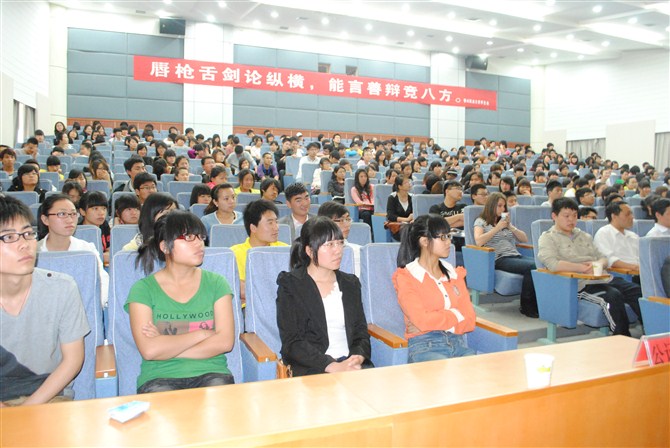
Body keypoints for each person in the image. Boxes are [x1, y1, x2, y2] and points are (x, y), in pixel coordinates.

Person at [126, 210, 235, 394]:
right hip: (159, 377)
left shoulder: (217, 283)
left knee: (218, 407)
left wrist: (166, 346)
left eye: (201, 237)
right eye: (189, 237)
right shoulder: (143, 290)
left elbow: (225, 342)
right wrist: (202, 334)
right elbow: (150, 350)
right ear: (165, 247)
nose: (199, 243)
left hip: (212, 372)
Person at [0, 195, 89, 405]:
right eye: (10, 237)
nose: (25, 245)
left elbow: (73, 360)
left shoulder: (62, 288)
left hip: (48, 398)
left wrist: (27, 409)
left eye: (28, 234)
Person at [276, 217, 372, 376]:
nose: (338, 250)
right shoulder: (291, 285)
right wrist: (331, 365)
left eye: (340, 243)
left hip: (351, 365)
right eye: (329, 245)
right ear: (309, 251)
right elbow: (292, 342)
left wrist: (357, 357)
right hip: (313, 367)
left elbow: (360, 332)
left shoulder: (350, 283)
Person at [537, 198, 642, 336]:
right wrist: (582, 268)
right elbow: (553, 264)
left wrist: (599, 264)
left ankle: (652, 332)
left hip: (603, 278)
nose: (571, 220)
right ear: (554, 216)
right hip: (579, 284)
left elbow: (603, 258)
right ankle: (622, 336)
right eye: (566, 216)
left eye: (575, 215)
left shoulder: (584, 236)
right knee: (613, 296)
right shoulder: (548, 238)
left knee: (637, 291)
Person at [392, 214, 476, 363]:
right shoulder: (407, 277)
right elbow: (422, 320)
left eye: (449, 236)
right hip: (426, 346)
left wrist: (433, 321)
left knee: (480, 374)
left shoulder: (454, 274)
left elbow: (470, 320)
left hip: (458, 344)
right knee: (447, 375)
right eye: (443, 237)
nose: (449, 242)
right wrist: (456, 315)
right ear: (424, 241)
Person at [36, 194, 109, 307]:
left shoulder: (87, 250)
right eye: (62, 214)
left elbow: (103, 283)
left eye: (73, 214)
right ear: (45, 219)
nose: (70, 220)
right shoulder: (34, 252)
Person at [474, 193, 539, 317]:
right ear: (491, 205)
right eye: (499, 206)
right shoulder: (481, 221)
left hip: (514, 255)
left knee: (541, 265)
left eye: (504, 206)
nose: (503, 209)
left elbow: (524, 239)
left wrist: (510, 226)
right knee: (532, 266)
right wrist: (497, 228)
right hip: (499, 258)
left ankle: (537, 304)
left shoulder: (504, 222)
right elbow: (479, 241)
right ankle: (527, 306)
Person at [231, 200, 289, 303]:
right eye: (270, 223)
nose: (276, 227)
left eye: (276, 222)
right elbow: (238, 289)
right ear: (253, 228)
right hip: (249, 309)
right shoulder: (234, 254)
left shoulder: (285, 250)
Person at [317, 201, 361, 276]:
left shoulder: (358, 251)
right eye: (341, 220)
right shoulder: (317, 252)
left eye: (348, 219)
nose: (347, 224)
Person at [593, 202, 639, 272]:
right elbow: (609, 260)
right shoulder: (603, 233)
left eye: (631, 214)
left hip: (640, 272)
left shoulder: (633, 235)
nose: (632, 217)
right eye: (627, 214)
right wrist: (634, 267)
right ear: (614, 216)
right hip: (621, 274)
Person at [78, 191, 111, 264]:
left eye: (104, 208)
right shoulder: (77, 231)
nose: (101, 213)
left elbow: (109, 249)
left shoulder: (104, 225)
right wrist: (101, 257)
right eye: (95, 208)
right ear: (82, 211)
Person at [386, 174, 414, 242]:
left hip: (410, 225)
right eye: (406, 183)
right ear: (399, 186)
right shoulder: (392, 197)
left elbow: (415, 213)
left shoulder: (412, 197)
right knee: (407, 231)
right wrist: (406, 219)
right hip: (397, 227)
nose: (409, 184)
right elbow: (390, 216)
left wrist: (412, 219)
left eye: (409, 182)